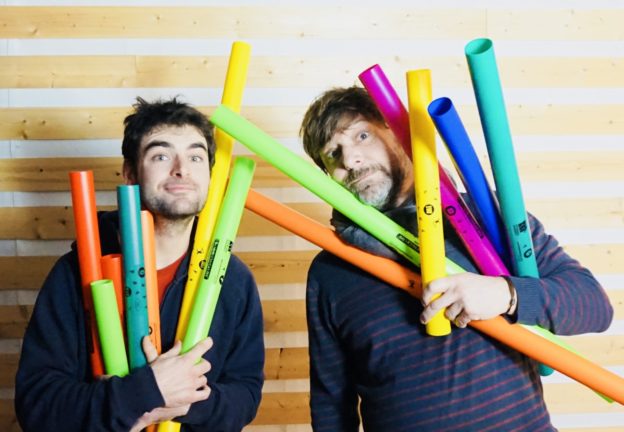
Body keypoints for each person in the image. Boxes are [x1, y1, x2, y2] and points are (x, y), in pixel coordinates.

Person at [299, 86, 614, 431]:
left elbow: (594, 305)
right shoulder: (330, 271)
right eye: (333, 154)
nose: (350, 160)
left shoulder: (487, 216)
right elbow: (331, 405)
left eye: (362, 135)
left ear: (397, 133)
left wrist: (506, 293)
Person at [15, 97, 265, 431]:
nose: (181, 168)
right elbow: (37, 406)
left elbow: (245, 395)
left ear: (211, 176)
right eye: (161, 156)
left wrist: (182, 401)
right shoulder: (75, 273)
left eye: (196, 156)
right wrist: (144, 391)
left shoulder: (233, 280)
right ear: (131, 174)